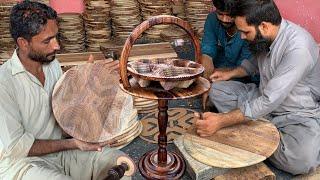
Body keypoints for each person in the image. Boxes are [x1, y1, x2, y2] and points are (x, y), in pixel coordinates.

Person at [0, 1, 129, 180]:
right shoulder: (4, 84)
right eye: (47, 41)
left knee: (117, 161)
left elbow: (66, 113)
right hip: (22, 164)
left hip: (60, 153)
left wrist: (87, 84)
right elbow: (17, 147)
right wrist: (73, 143)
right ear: (23, 43)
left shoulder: (51, 64)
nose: (57, 46)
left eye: (56, 37)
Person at [195, 0, 320, 175]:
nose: (242, 37)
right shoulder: (268, 36)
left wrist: (222, 121)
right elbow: (255, 61)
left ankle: (256, 134)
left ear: (264, 26)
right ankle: (261, 131)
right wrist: (230, 74)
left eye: (245, 32)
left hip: (294, 113)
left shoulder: (298, 48)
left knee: (301, 161)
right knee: (217, 90)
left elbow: (270, 100)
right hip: (262, 98)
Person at [201, 0, 258, 83]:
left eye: (230, 15)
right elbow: (207, 50)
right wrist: (207, 72)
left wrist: (219, 75)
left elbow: (246, 66)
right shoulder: (212, 18)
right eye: (220, 14)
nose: (224, 20)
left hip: (244, 72)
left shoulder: (249, 25)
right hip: (222, 64)